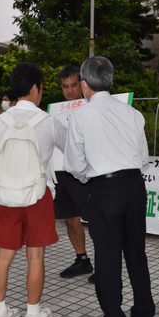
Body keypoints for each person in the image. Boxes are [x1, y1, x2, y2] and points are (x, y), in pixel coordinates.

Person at [64, 56, 155, 317]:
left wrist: (89, 178)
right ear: (111, 81)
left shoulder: (79, 116)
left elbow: (75, 166)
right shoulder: (132, 113)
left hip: (105, 189)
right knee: (136, 252)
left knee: (107, 254)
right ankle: (143, 313)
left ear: (85, 84)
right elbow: (143, 159)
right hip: (134, 187)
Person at [0, 62, 65, 317]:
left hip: (6, 198)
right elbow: (71, 153)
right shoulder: (48, 121)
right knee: (35, 256)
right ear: (35, 88)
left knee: (3, 256)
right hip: (38, 196)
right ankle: (32, 314)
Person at [55, 65, 93, 282]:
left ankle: (105, 265)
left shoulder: (92, 108)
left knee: (96, 220)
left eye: (73, 85)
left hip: (86, 172)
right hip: (62, 171)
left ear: (83, 84)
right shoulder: (57, 112)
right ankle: (82, 259)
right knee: (70, 217)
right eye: (65, 86)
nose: (69, 91)